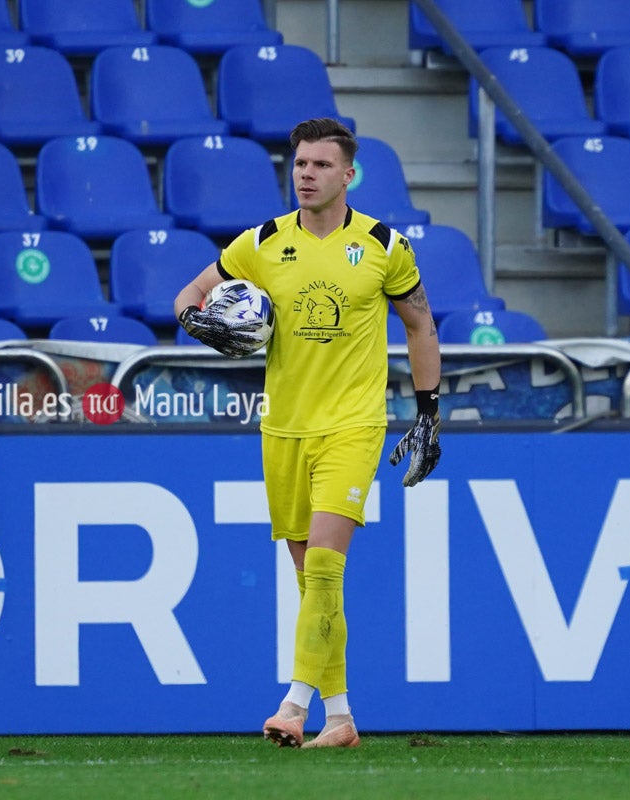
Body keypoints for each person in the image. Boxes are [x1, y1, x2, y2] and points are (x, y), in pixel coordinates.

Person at [174, 118, 442, 748]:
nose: (306, 175)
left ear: (348, 175)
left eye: (321, 165)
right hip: (284, 427)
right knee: (309, 582)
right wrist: (199, 322)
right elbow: (190, 292)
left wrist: (427, 411)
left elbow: (420, 325)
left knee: (323, 567)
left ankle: (293, 706)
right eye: (300, 164)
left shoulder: (384, 245)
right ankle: (342, 719)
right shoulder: (261, 243)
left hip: (353, 425)